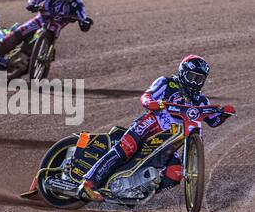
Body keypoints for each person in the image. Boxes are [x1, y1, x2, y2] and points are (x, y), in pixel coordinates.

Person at [77, 55, 236, 201]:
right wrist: (153, 103)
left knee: (174, 173)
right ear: (182, 73)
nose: (194, 82)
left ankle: (137, 191)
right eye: (191, 77)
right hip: (150, 125)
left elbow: (213, 121)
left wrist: (224, 113)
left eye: (199, 79)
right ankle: (88, 182)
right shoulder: (166, 83)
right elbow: (146, 97)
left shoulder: (201, 100)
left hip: (171, 140)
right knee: (126, 148)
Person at [0, 0, 94, 56]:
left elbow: (83, 19)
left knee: (50, 50)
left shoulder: (78, 5)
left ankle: (43, 59)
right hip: (41, 19)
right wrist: (33, 4)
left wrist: (86, 23)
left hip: (56, 27)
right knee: (21, 31)